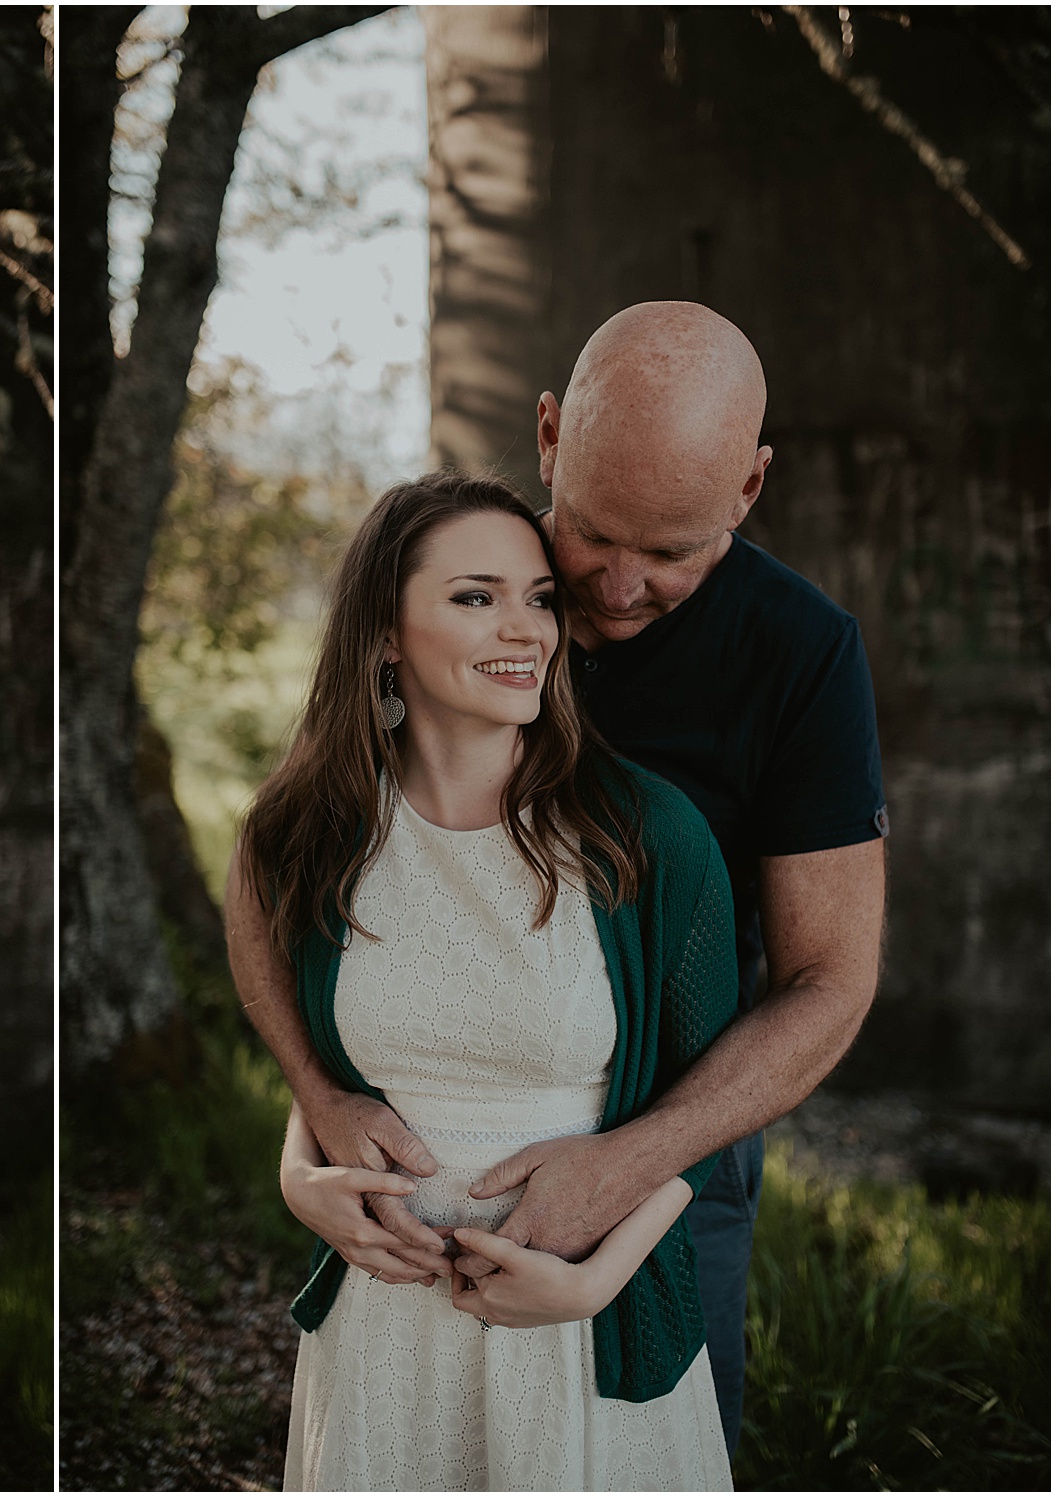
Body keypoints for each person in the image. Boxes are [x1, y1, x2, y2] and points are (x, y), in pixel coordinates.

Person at [234, 303, 886, 1457]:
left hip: (674, 1104)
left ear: (746, 490)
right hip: (415, 1183)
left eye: (672, 552)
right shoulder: (462, 579)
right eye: (589, 537)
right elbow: (285, 867)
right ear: (547, 439)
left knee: (642, 1425)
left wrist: (632, 1169)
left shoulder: (796, 658)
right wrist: (314, 1117)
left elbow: (828, 979)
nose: (615, 590)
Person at [228, 473, 738, 1489]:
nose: (526, 629)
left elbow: (706, 1101)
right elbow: (323, 1065)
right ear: (382, 631)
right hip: (384, 1333)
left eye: (538, 597)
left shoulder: (644, 837)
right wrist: (299, 1178)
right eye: (475, 596)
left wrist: (594, 1278)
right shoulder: (307, 837)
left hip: (580, 1328)